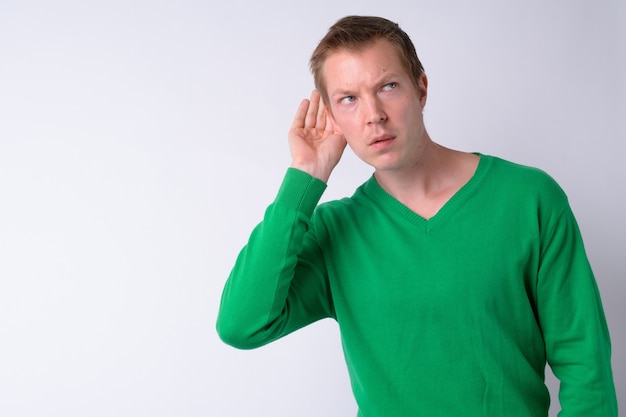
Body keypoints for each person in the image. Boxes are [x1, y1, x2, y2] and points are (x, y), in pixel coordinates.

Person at [216, 15, 618, 416]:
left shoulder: (529, 199)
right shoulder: (333, 232)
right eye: (349, 99)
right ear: (333, 118)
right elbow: (242, 325)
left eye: (387, 87)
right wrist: (306, 177)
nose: (374, 114)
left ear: (420, 89)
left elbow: (587, 369)